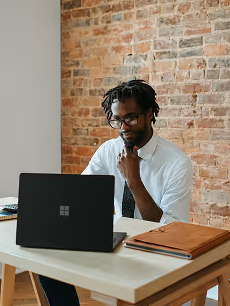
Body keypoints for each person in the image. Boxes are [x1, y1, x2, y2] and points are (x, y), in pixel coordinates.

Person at [39, 79, 193, 305]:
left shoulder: (176, 163)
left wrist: (133, 180)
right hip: (118, 240)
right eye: (117, 120)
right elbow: (80, 193)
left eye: (131, 118)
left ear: (150, 113)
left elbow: (171, 229)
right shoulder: (108, 151)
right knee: (49, 267)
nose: (123, 127)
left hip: (156, 250)